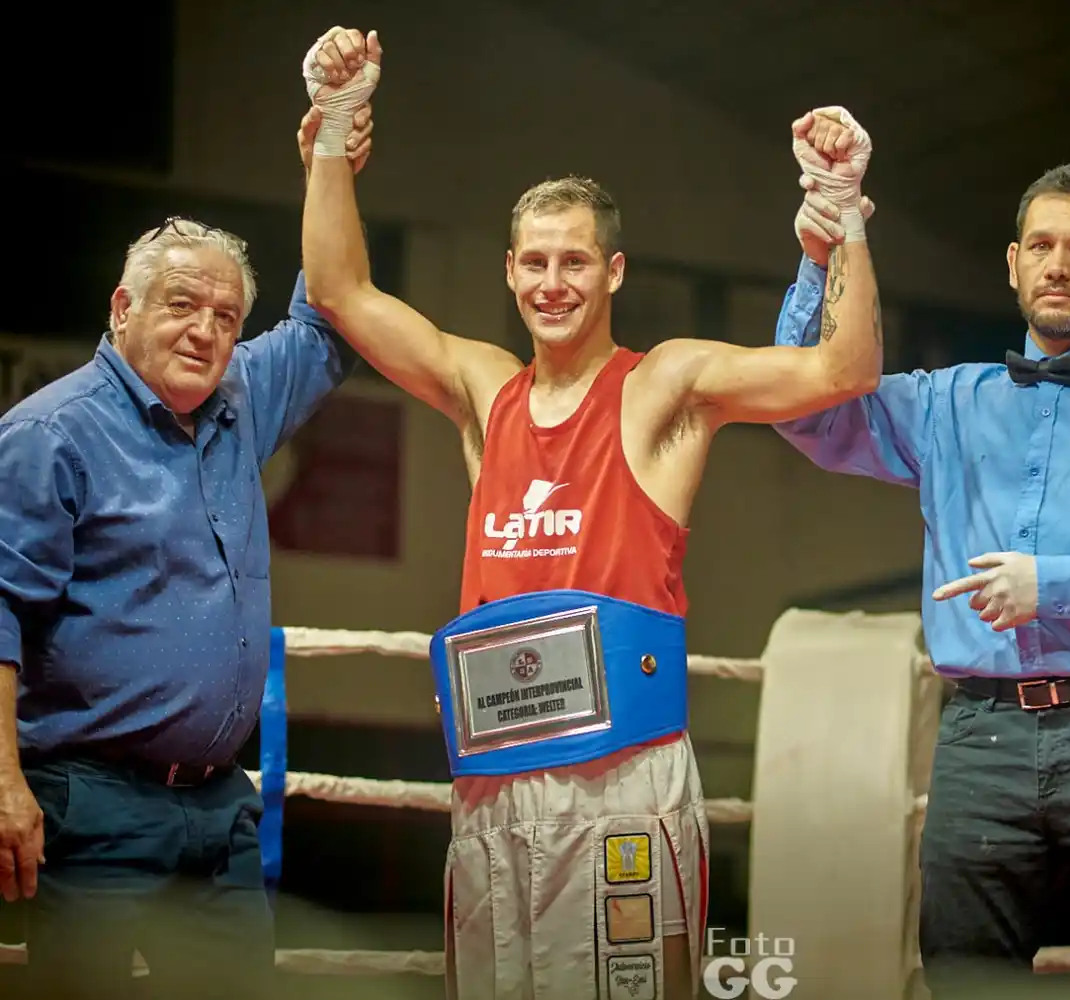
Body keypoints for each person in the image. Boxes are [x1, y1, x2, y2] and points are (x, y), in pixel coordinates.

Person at [294, 26, 881, 999]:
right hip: (493, 783)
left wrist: (844, 213)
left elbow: (842, 369)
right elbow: (340, 290)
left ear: (612, 273)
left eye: (574, 263)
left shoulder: (664, 385)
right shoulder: (486, 391)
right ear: (510, 272)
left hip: (621, 778)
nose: (551, 283)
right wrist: (335, 133)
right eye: (533, 263)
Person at [778, 163, 1070, 994]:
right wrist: (822, 257)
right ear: (1012, 262)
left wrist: (1060, 585)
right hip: (981, 738)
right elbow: (804, 407)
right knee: (964, 980)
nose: (1058, 265)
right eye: (1041, 245)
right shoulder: (946, 402)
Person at [0, 118, 375, 997]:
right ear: (122, 309)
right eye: (181, 305)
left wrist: (328, 163)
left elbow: (333, 319)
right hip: (88, 802)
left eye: (226, 316)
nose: (207, 332)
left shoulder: (239, 392)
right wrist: (2, 785)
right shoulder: (50, 433)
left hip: (217, 805)